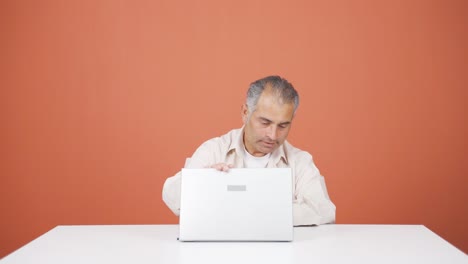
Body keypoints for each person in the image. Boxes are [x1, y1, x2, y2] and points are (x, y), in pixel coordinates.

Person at [162, 75, 336, 226]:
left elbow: (323, 211)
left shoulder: (301, 162)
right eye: (265, 123)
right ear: (245, 112)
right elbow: (171, 196)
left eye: (283, 125)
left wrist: (253, 211)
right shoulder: (214, 150)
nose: (273, 135)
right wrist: (202, 182)